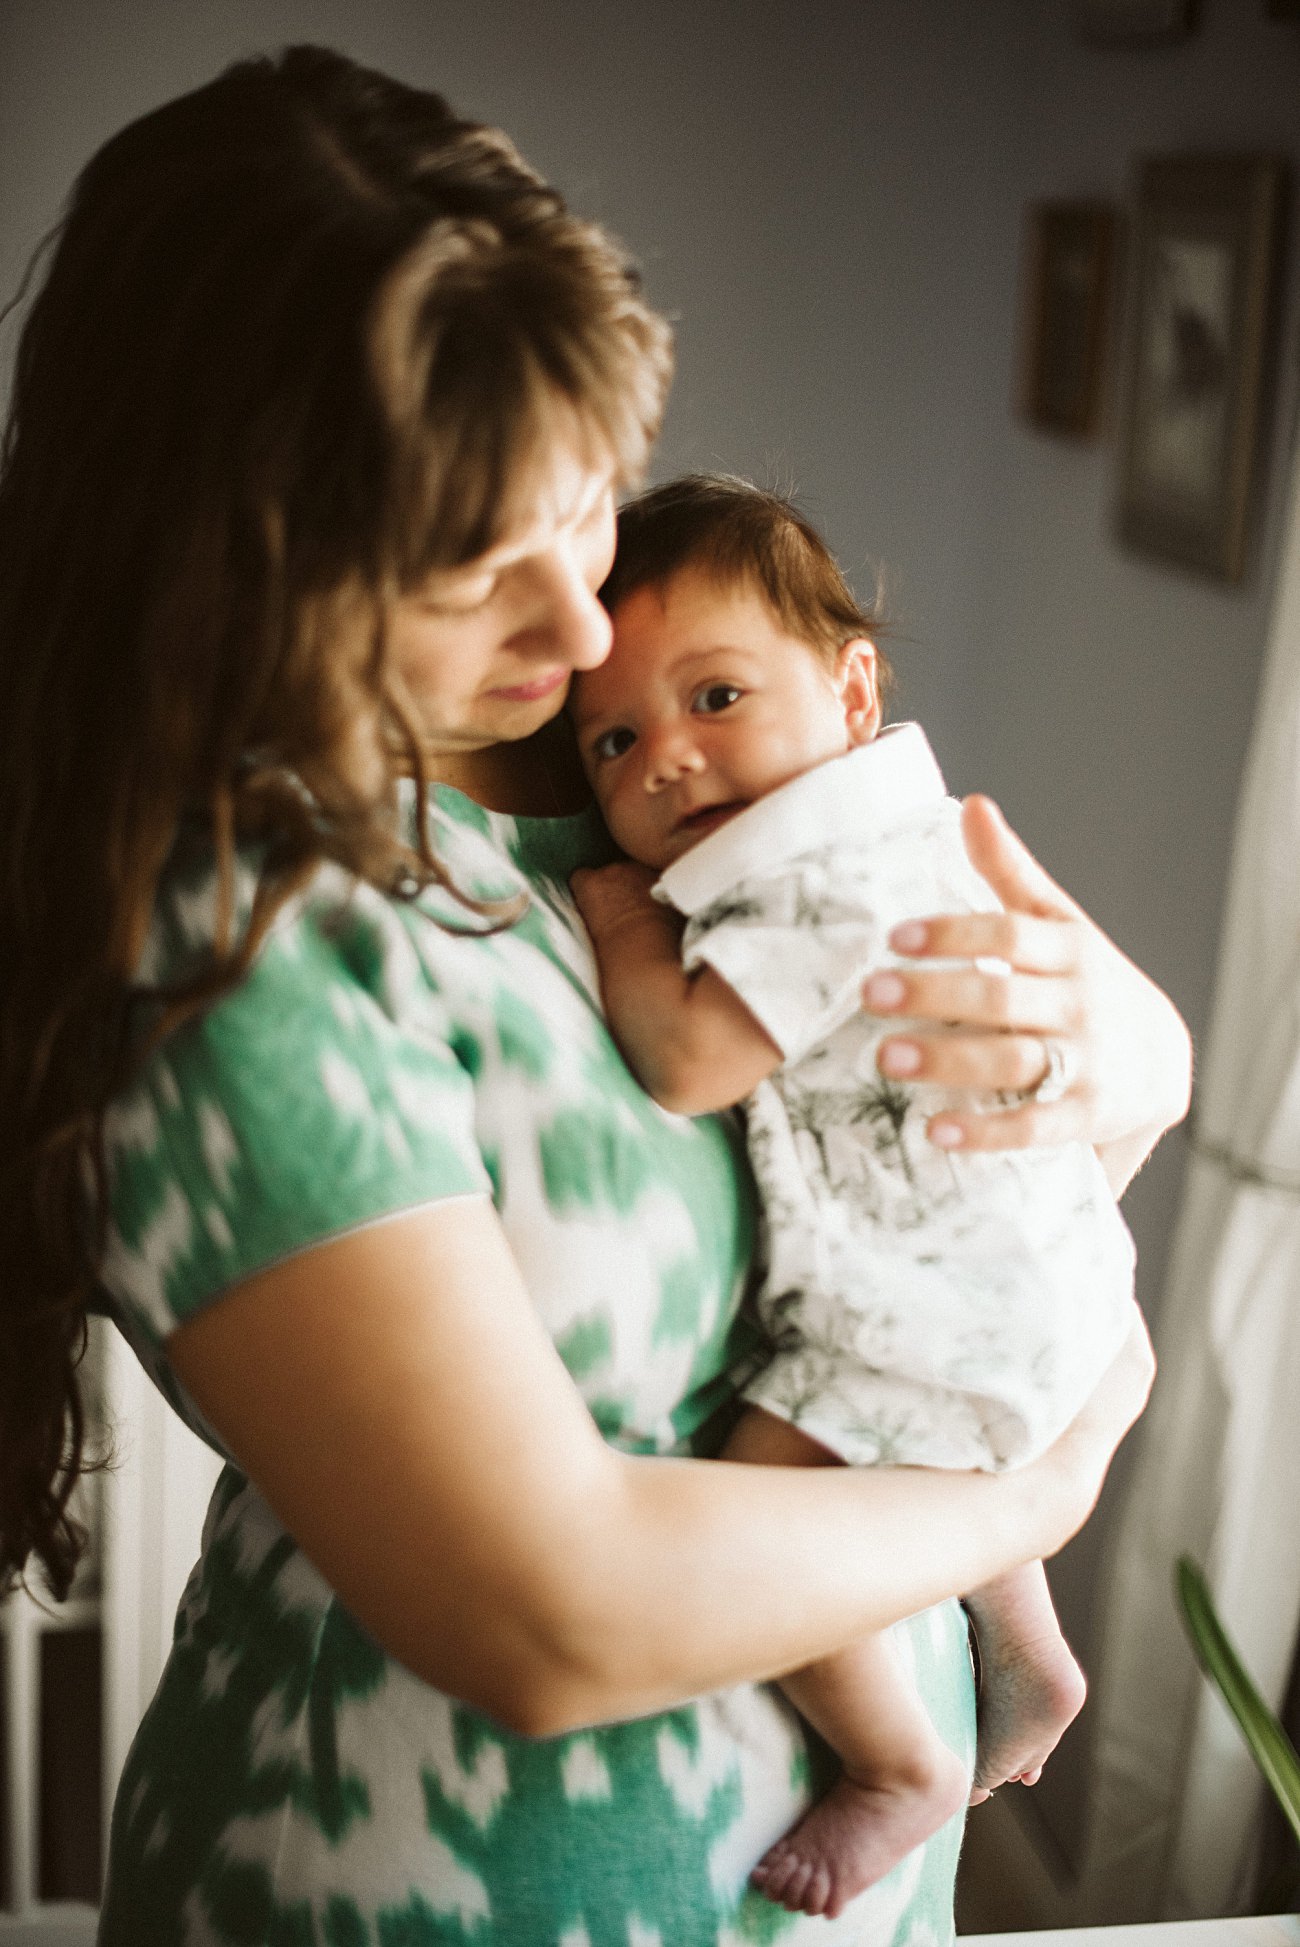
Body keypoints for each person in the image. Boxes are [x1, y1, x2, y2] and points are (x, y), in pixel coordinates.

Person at [0, 46, 1183, 1947]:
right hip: (453, 1896)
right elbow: (546, 1613)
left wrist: (1122, 1044)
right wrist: (1036, 1497)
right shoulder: (225, 936)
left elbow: (1087, 1052)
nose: (580, 629)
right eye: (481, 573)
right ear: (248, 575)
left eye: (589, 509)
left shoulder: (641, 757)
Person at [569, 475, 1142, 1920]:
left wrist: (625, 931)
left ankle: (894, 1764)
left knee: (764, 1527)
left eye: (715, 697)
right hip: (1029, 1272)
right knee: (937, 1471)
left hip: (930, 1303)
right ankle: (1024, 1644)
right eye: (616, 739)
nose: (670, 763)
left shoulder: (823, 866)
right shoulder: (895, 828)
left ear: (850, 687)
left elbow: (696, 1061)